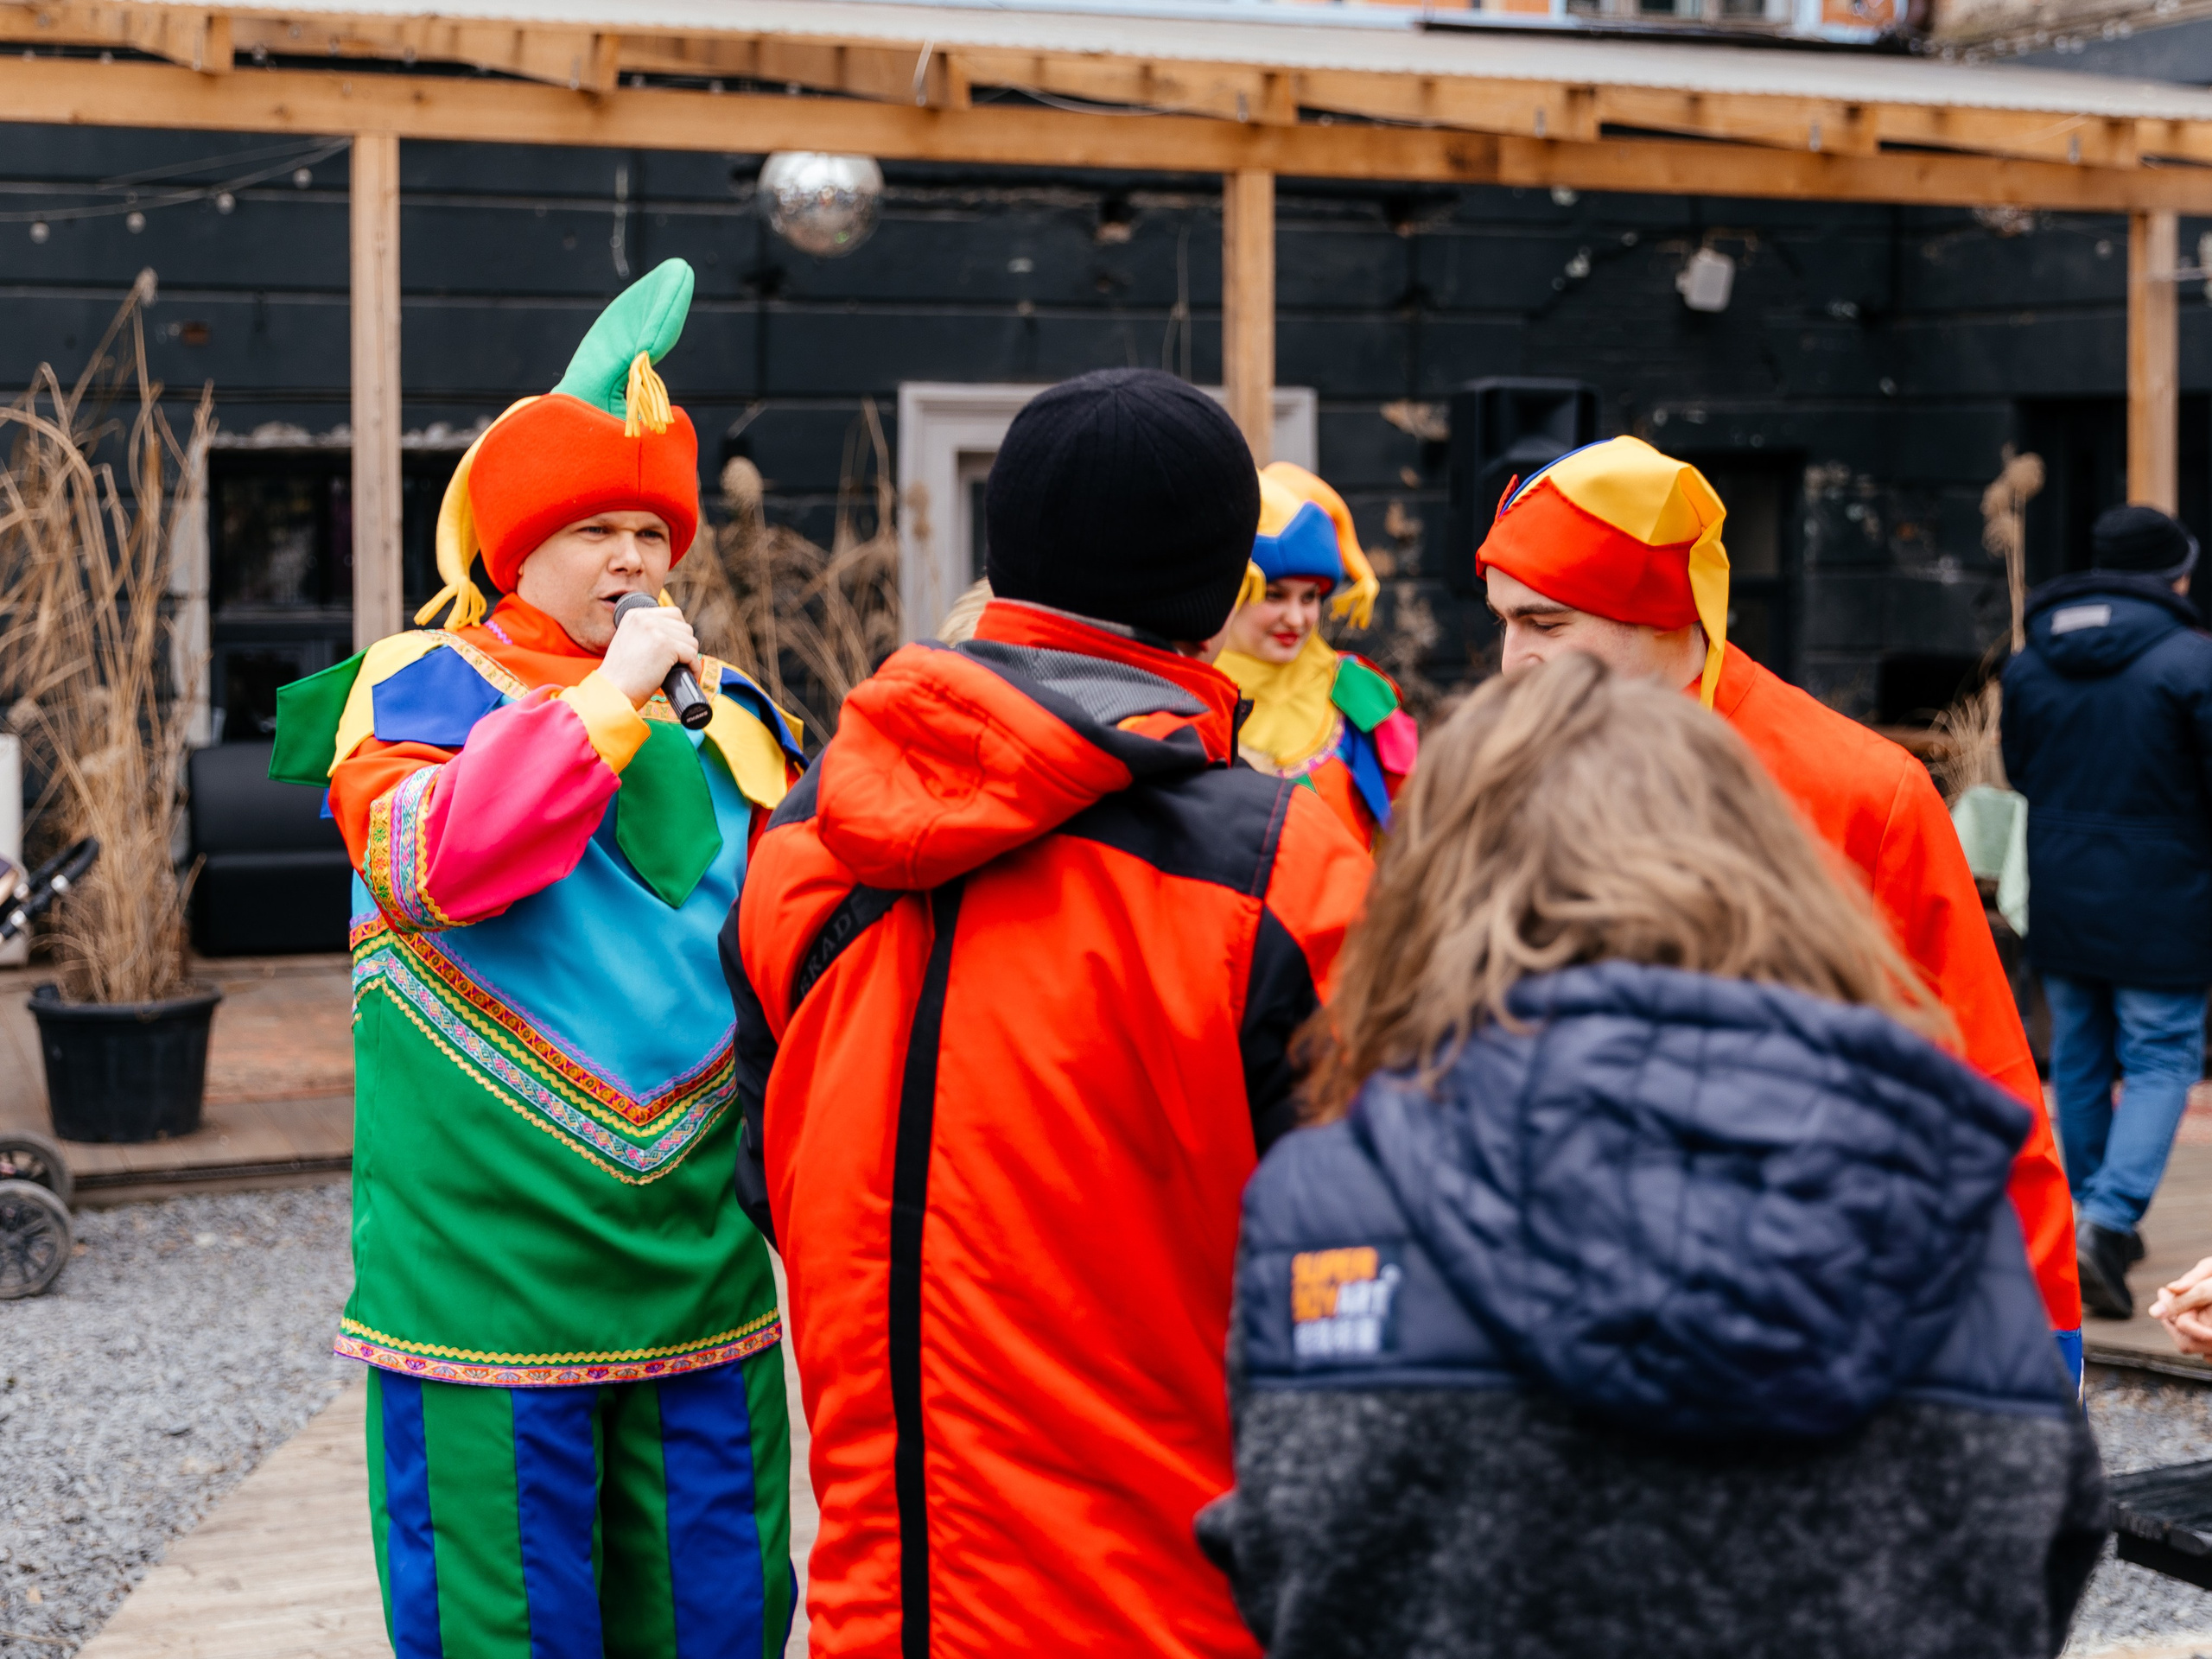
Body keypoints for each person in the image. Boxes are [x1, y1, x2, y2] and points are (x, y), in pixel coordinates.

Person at [1198, 656, 2107, 1659]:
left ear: (1442, 883)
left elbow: (1289, 1557)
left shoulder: (1331, 1194)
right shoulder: (1935, 1158)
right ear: (1761, 866)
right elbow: (2042, 1526)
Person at [724, 367, 1372, 1658]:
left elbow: (770, 1181)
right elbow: (1366, 1295)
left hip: (882, 1615)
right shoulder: (1282, 873)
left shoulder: (801, 844)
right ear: (1214, 593)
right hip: (1174, 1616)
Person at [270, 259, 805, 1658]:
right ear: (518, 547)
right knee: (506, 1631)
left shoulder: (735, 716)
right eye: (593, 530)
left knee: (722, 1620)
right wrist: (609, 707)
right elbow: (440, 859)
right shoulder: (412, 688)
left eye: (652, 529)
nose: (633, 562)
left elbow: (794, 941)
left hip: (700, 1275)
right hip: (489, 1291)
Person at [1475, 434, 2084, 1375]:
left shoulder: (1858, 791)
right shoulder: (1505, 771)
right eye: (1503, 623)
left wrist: (2044, 1343)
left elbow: (1979, 1080)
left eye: (1546, 625)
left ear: (1659, 614)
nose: (1512, 663)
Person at [2002, 504, 2212, 1321]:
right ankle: (2109, 1221)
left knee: (2081, 1058)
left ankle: (2087, 1216)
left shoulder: (2031, 662)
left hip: (2062, 885)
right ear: (2176, 576)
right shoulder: (2193, 662)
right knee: (2162, 1056)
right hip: (2166, 895)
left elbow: (2022, 771)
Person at [1215, 462, 1419, 846]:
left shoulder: (1353, 689)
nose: (1296, 618)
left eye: (1310, 597)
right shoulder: (1188, 700)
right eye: (1275, 595)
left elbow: (1417, 820)